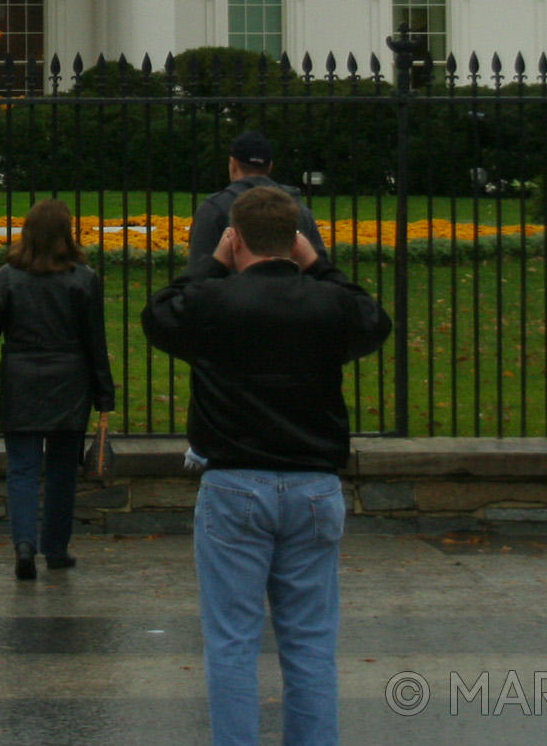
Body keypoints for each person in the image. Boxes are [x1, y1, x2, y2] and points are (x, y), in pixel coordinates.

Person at [143, 187, 392, 746]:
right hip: (313, 484)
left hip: (234, 482)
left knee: (231, 643)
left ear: (236, 237)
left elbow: (160, 316)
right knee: (309, 644)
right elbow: (373, 320)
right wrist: (318, 262)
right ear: (296, 237)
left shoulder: (212, 302)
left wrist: (212, 263)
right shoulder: (328, 303)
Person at [0, 198, 116, 581]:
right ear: (66, 233)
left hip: (20, 379)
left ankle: (24, 544)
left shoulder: (7, 278)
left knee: (22, 468)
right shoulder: (84, 279)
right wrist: (104, 395)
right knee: (61, 471)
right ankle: (55, 549)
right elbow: (95, 343)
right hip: (70, 382)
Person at [183, 131, 328, 278]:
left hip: (231, 298)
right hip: (295, 297)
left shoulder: (214, 208)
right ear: (270, 166)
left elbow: (197, 271)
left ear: (233, 164)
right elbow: (320, 269)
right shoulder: (298, 207)